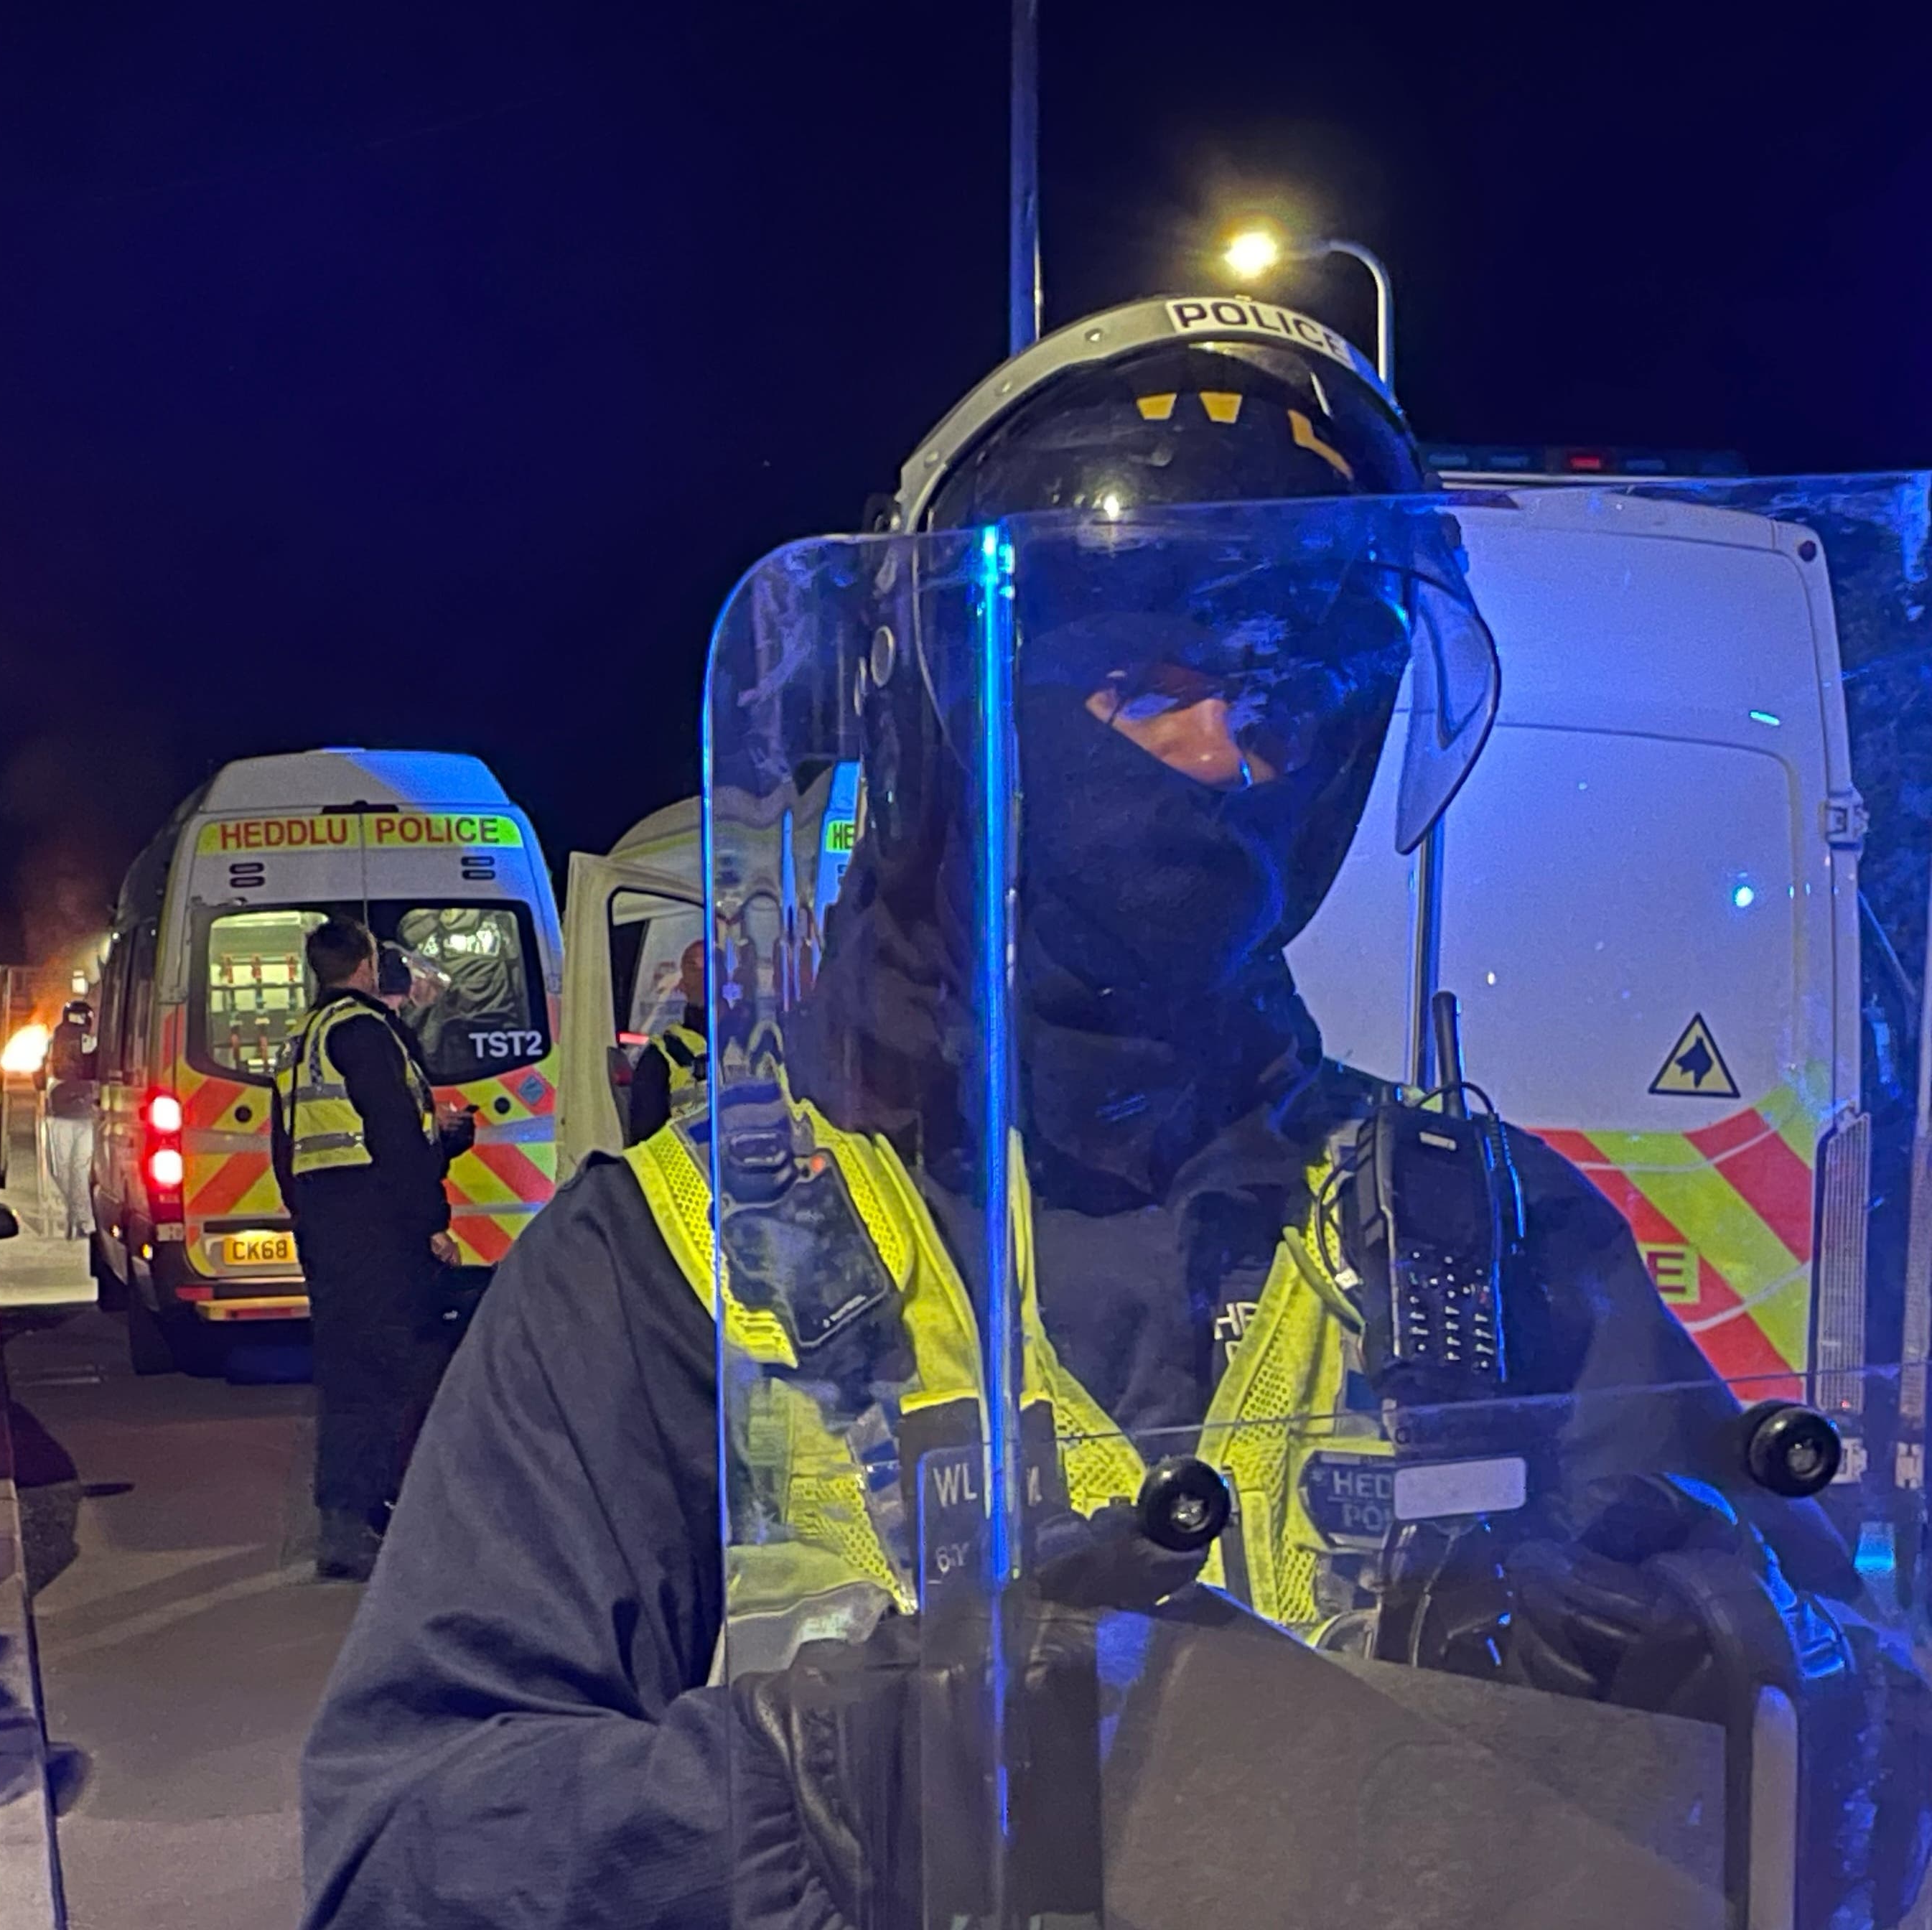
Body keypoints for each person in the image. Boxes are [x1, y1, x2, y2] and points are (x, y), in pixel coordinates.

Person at [299, 299, 1928, 1928]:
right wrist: (828, 1794)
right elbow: (401, 1849)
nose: (1234, 757)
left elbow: (1832, 1711)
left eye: (1299, 694)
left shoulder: (1490, 1230)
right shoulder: (675, 1264)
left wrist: (1780, 1681)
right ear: (957, 724)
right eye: (1151, 678)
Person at [273, 915, 464, 1582]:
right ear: (365, 964)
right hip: (377, 1228)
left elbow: (291, 1147)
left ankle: (353, 1518)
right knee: (389, 1375)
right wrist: (431, 1221)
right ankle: (363, 1523)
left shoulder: (304, 1038)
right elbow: (392, 1134)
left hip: (331, 1226)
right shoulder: (364, 1030)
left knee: (353, 1373)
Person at [623, 938, 709, 1146]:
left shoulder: (757, 1040)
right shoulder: (662, 1055)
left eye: (711, 964)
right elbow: (645, 1142)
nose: (703, 976)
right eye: (693, 968)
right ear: (682, 984)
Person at [37, 999, 98, 1240]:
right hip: (64, 1111)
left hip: (81, 1113)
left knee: (74, 1169)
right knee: (63, 1169)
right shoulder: (57, 1041)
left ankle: (83, 1220)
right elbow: (42, 1070)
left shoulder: (92, 1043)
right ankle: (78, 1215)